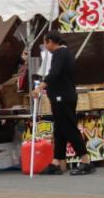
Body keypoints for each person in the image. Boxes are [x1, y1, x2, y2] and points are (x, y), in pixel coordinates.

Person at [35, 31, 94, 176]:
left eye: (45, 42)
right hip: (62, 95)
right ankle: (56, 161)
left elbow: (54, 73)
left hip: (63, 96)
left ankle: (86, 160)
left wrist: (40, 87)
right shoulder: (65, 53)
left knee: (69, 127)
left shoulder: (60, 53)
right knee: (60, 129)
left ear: (49, 41)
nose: (46, 46)